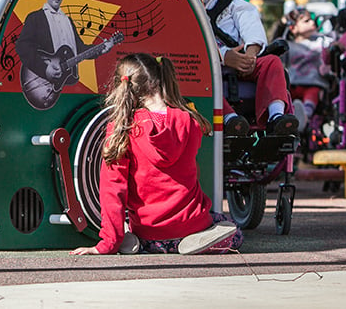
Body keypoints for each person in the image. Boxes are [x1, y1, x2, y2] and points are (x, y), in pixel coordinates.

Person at [70, 53, 243, 255]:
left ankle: (130, 240)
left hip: (149, 234)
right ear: (160, 78)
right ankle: (195, 241)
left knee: (128, 223)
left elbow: (112, 191)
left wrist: (107, 244)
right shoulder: (189, 120)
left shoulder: (122, 128)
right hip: (192, 225)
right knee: (230, 228)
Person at [165, 0, 298, 136]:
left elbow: (250, 22)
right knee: (198, 72)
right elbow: (185, 44)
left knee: (272, 62)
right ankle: (230, 120)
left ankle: (276, 118)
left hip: (244, 62)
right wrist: (224, 57)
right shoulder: (175, 11)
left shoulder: (227, 1)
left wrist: (251, 55)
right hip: (207, 67)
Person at [16, 0, 115, 109]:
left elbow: (79, 49)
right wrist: (45, 68)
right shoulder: (35, 18)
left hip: (66, 91)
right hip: (42, 84)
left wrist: (101, 49)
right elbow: (22, 47)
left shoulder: (68, 20)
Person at [284, 9, 333, 123]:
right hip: (293, 84)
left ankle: (304, 117)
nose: (312, 23)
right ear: (293, 28)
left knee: (312, 94)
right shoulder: (288, 45)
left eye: (311, 20)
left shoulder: (321, 41)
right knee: (284, 95)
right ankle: (288, 118)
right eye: (306, 21)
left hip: (313, 83)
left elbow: (333, 44)